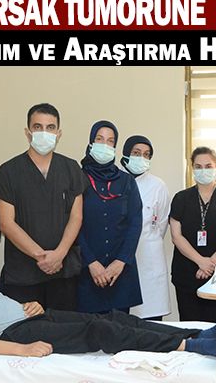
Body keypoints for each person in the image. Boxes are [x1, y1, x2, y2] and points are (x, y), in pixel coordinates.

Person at [0, 240, 216, 358]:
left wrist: (26, 307)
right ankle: (190, 347)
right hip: (14, 334)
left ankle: (198, 335)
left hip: (28, 316)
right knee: (100, 332)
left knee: (111, 318)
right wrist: (21, 350)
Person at [0, 103, 86, 311]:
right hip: (23, 274)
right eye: (38, 127)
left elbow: (76, 217)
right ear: (28, 132)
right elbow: (6, 224)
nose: (44, 132)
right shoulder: (9, 171)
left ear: (58, 133)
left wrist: (59, 254)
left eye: (50, 127)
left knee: (64, 327)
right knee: (26, 328)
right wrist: (41, 257)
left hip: (63, 271)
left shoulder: (71, 168)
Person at [77, 120, 143, 314]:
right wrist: (91, 263)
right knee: (89, 330)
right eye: (99, 139)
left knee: (121, 330)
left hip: (120, 274)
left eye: (110, 141)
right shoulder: (77, 178)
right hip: (87, 272)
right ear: (91, 143)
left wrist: (120, 261)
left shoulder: (127, 181)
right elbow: (72, 224)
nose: (105, 145)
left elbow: (135, 224)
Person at [169, 146, 216, 322]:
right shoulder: (181, 198)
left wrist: (211, 263)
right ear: (192, 168)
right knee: (190, 327)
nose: (203, 170)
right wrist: (201, 261)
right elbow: (176, 236)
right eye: (198, 167)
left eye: (208, 166)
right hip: (186, 273)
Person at [121, 135, 171, 320]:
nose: (141, 158)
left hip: (149, 259)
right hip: (118, 261)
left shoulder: (158, 186)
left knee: (151, 323)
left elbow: (161, 224)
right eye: (136, 153)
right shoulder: (115, 181)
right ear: (126, 154)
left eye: (146, 154)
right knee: (120, 322)